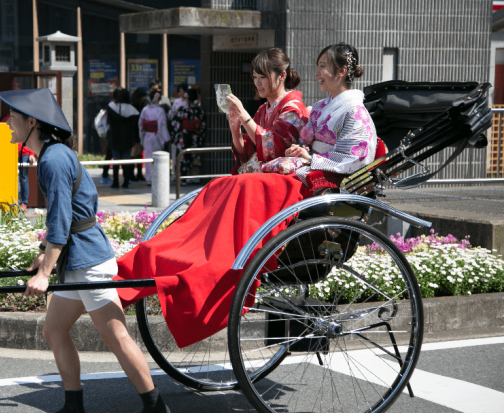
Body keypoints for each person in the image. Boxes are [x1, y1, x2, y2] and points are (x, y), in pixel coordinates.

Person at [113, 44, 379, 351]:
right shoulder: (316, 108)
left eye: (322, 66)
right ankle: (198, 247)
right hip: (289, 170)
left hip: (315, 179)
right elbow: (256, 154)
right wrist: (238, 129)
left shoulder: (330, 109)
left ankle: (223, 254)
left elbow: (346, 156)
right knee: (223, 185)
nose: (316, 72)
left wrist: (308, 157)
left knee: (243, 185)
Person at [0, 88, 172, 413]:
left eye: (13, 117)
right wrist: (43, 256)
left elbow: (62, 220)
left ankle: (156, 411)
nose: (8, 123)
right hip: (77, 260)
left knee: (116, 335)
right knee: (54, 329)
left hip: (89, 263)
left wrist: (45, 272)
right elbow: (68, 218)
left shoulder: (54, 158)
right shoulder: (51, 155)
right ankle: (74, 412)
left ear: (32, 122)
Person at [289, 43, 377, 185]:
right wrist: (299, 151)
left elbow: (355, 159)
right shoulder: (319, 107)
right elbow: (307, 145)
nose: (317, 72)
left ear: (342, 71)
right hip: (309, 170)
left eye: (322, 66)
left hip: (326, 180)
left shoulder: (355, 111)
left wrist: (311, 159)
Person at [225, 47, 308, 174]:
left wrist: (243, 114)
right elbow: (249, 152)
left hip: (282, 178)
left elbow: (272, 147)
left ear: (282, 76)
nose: (257, 83)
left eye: (262, 77)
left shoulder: (293, 108)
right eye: (255, 77)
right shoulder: (263, 109)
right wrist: (235, 130)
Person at [170, 87, 205, 184]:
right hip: (195, 137)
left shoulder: (183, 110)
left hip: (183, 136)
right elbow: (202, 126)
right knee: (193, 156)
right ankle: (193, 177)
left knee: (183, 157)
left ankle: (183, 178)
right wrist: (200, 138)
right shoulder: (200, 111)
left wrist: (175, 138)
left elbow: (176, 125)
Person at [106, 88, 140, 189]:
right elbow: (135, 126)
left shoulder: (112, 107)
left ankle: (115, 182)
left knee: (116, 161)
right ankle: (126, 182)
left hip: (115, 138)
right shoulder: (132, 109)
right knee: (127, 161)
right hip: (128, 139)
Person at [139, 90, 170, 186]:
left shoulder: (145, 110)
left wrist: (142, 137)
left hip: (147, 135)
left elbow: (140, 124)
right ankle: (157, 177)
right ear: (159, 99)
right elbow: (161, 125)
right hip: (157, 136)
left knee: (148, 157)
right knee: (158, 157)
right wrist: (165, 139)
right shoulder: (160, 110)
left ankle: (149, 178)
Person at [130, 87, 147, 182]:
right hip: (135, 132)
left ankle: (139, 173)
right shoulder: (134, 106)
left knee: (140, 152)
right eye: (142, 96)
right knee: (135, 152)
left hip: (141, 131)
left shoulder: (142, 105)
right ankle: (132, 174)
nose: (143, 98)